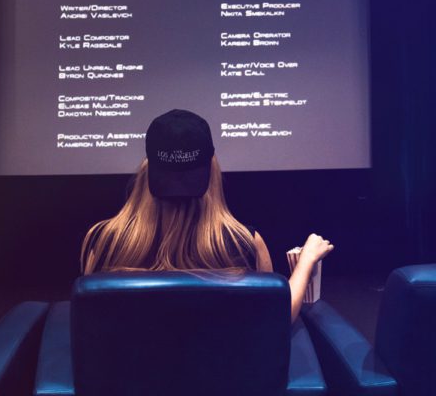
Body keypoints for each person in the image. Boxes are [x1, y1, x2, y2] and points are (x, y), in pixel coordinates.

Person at [81, 109, 333, 322]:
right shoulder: (244, 242)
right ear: (212, 169)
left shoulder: (102, 240)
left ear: (148, 171)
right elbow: (277, 317)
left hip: (126, 380)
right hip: (227, 381)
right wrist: (306, 261)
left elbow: (93, 323)